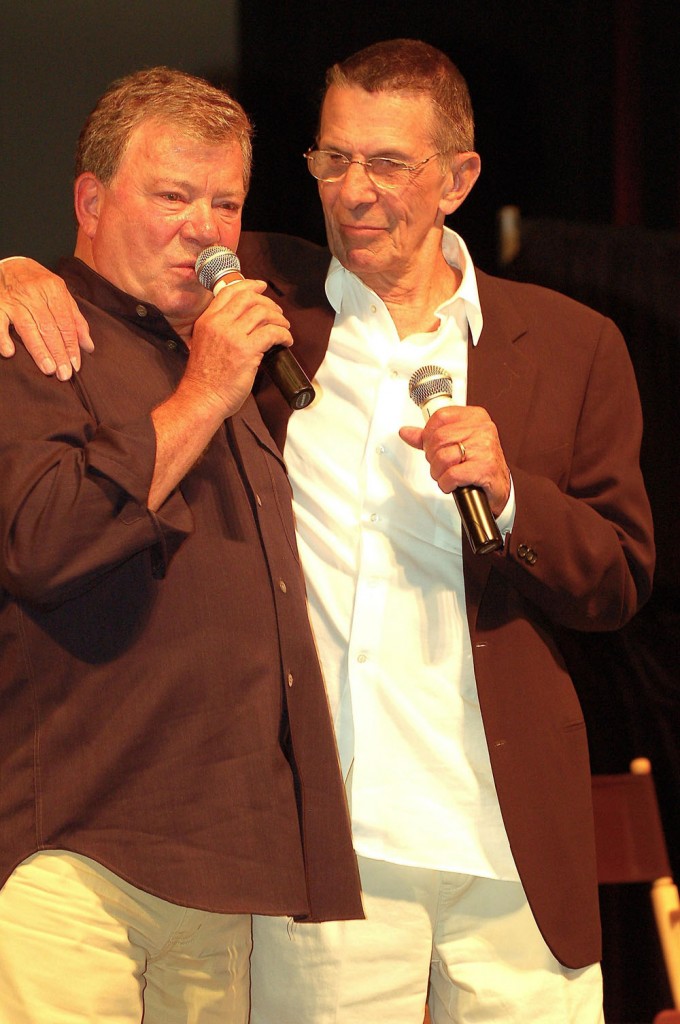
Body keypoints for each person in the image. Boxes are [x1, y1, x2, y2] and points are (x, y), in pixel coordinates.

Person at [0, 39, 655, 1024]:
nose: (353, 192)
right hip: (324, 846)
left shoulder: (569, 342)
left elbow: (615, 577)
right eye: (331, 159)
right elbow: (122, 251)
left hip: (507, 842)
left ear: (457, 177)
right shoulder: (256, 303)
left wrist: (513, 494)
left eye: (387, 164)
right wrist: (14, 275)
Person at [0, 66, 363, 1024]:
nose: (206, 230)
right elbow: (40, 545)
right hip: (70, 853)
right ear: (89, 200)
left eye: (226, 203)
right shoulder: (31, 338)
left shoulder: (234, 353)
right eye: (172, 196)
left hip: (220, 862)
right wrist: (204, 391)